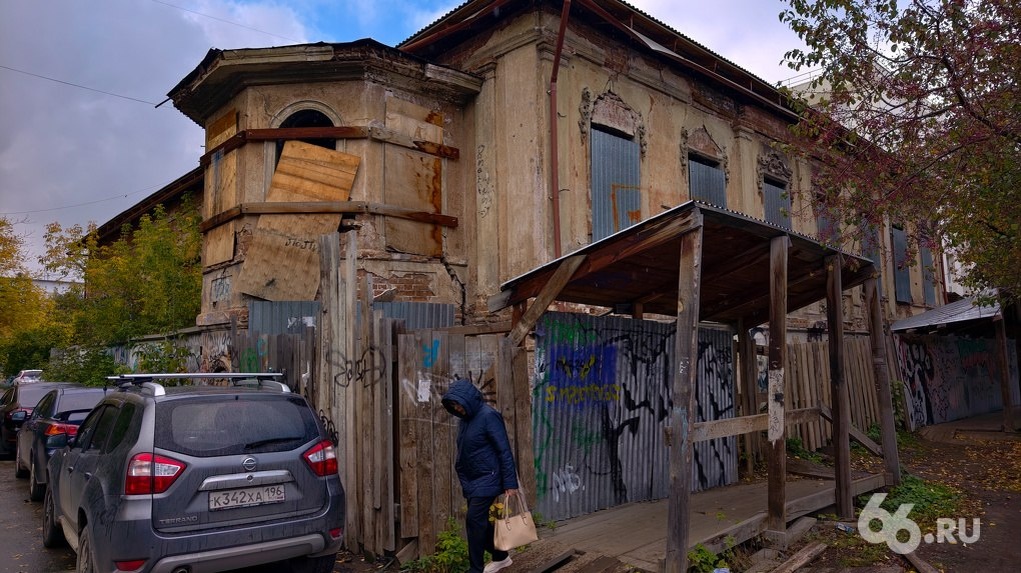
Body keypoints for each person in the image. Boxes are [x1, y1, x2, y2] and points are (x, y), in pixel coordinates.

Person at [442, 378, 519, 573]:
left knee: (474, 520)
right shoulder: (465, 420)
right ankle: (501, 556)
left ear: (468, 399)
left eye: (458, 404)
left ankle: (475, 569)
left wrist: (510, 483)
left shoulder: (489, 416)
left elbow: (504, 450)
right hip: (473, 479)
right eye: (453, 406)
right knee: (478, 522)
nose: (457, 409)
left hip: (489, 476)